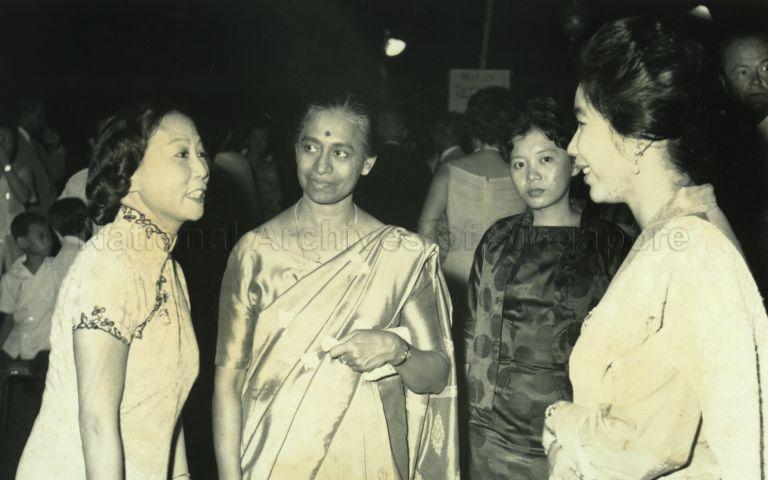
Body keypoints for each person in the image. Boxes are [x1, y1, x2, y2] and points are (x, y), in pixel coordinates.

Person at [544, 17, 768, 479]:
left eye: (582, 123)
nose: (571, 146)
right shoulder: (673, 235)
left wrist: (557, 420)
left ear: (633, 137)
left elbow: (643, 445)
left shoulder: (690, 250)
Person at [213, 94, 459, 480]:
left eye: (341, 153)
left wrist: (398, 350)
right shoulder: (254, 252)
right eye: (311, 147)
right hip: (270, 460)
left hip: (365, 461)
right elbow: (228, 381)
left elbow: (437, 374)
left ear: (368, 163)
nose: (321, 167)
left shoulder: (401, 255)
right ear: (295, 150)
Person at [16, 103, 209, 480]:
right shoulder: (111, 263)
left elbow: (169, 401)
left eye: (201, 152)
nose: (202, 167)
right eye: (182, 153)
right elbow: (96, 422)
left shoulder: (168, 269)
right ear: (130, 173)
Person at [465, 98, 628, 479]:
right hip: (491, 434)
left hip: (569, 435)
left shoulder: (609, 246)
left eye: (545, 160)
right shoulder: (497, 240)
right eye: (519, 164)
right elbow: (472, 331)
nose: (531, 176)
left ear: (573, 162)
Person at [419, 87, 526, 328]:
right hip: (505, 279)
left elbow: (425, 227)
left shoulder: (449, 170)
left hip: (454, 279)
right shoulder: (520, 174)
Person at [355, 108, 431, 231]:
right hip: (406, 235)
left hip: (369, 233)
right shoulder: (419, 166)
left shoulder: (365, 162)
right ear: (404, 132)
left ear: (379, 131)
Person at [0, 212, 54, 374]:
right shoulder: (12, 277)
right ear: (23, 242)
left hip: (46, 346)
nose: (48, 240)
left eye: (49, 235)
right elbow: (8, 317)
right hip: (18, 346)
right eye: (41, 236)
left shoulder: (56, 268)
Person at [0, 116, 35, 272]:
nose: (5, 146)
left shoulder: (21, 170)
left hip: (14, 240)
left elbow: (23, 196)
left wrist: (5, 164)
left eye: (8, 141)